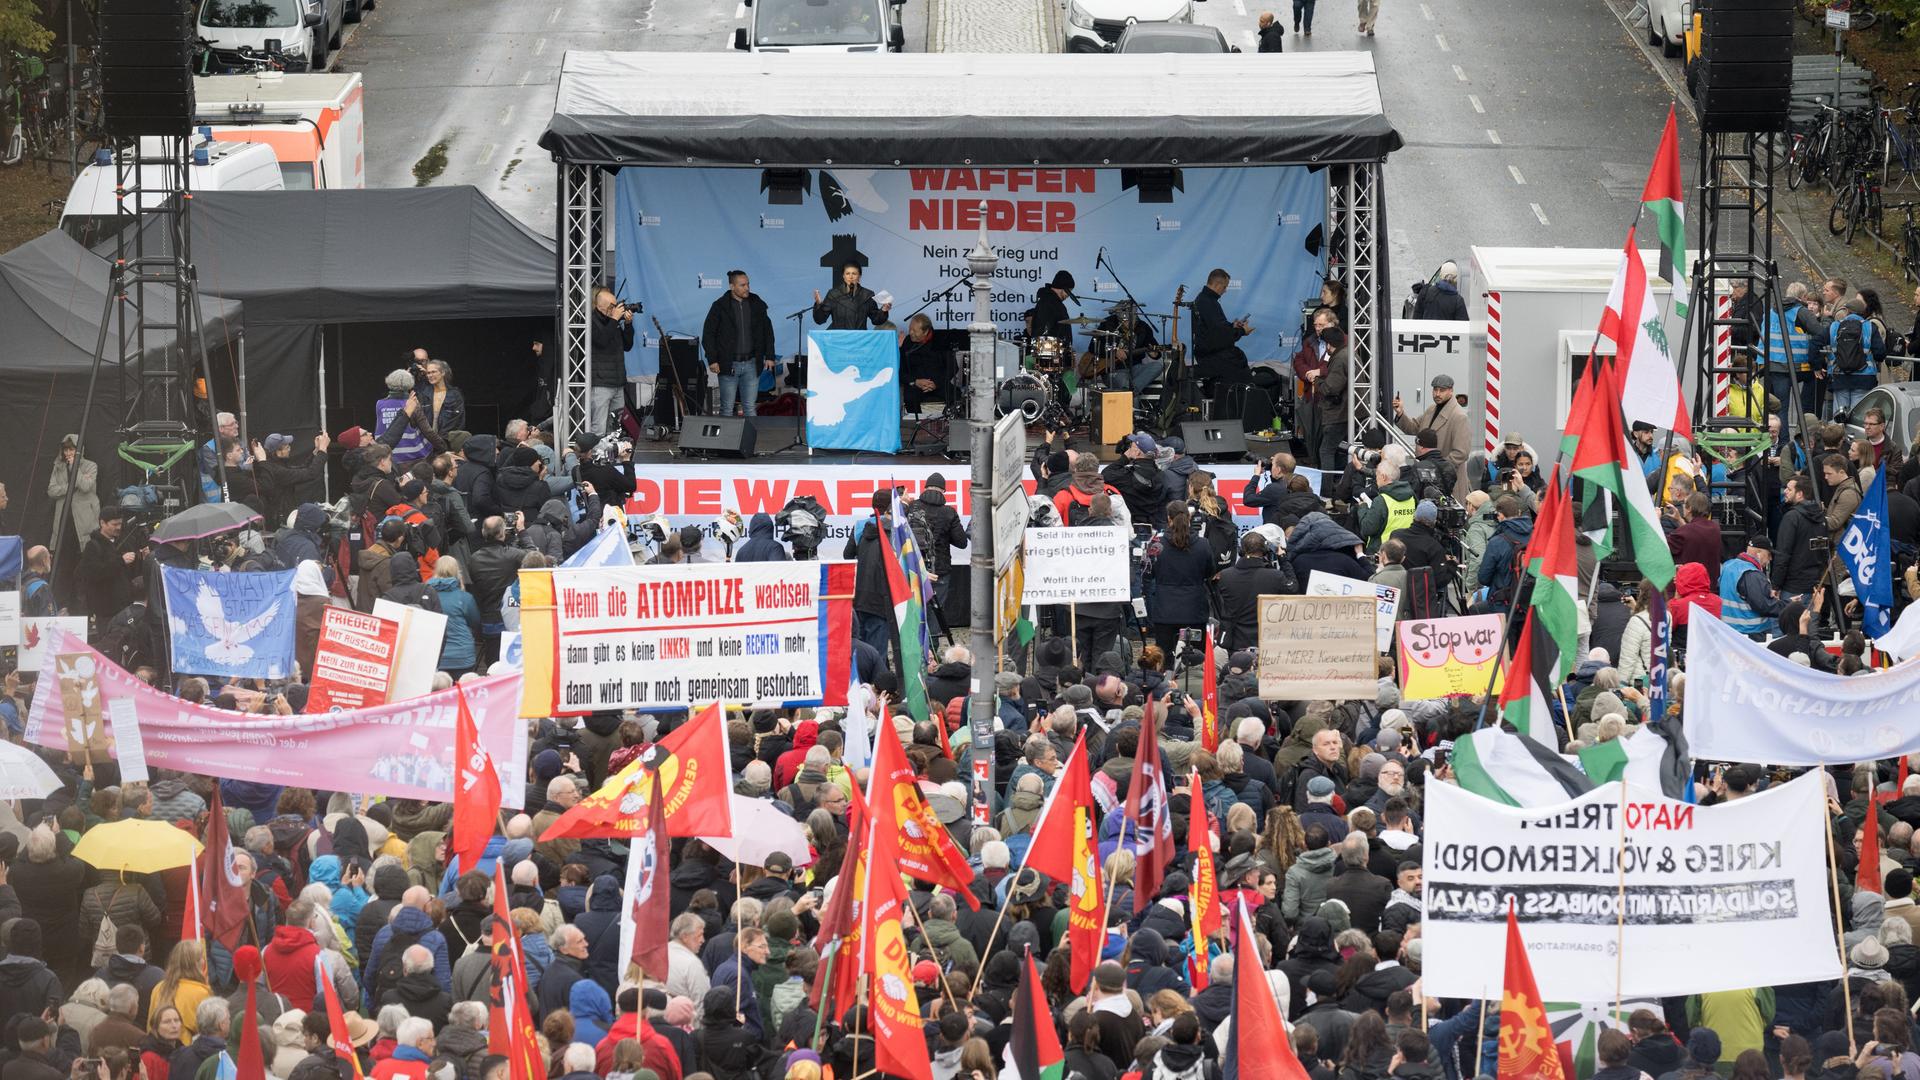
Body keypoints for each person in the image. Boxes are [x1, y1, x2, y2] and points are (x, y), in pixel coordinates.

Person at [1143, 501, 1216, 656]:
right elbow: (1209, 571)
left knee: (1164, 658)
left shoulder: (1156, 545)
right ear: (1189, 517)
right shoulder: (1203, 544)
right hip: (1194, 609)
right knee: (1195, 659)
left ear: (1169, 518)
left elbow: (1148, 574)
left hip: (1165, 610)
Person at [702, 271, 777, 419]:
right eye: (742, 285)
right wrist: (712, 359)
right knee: (727, 409)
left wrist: (769, 356)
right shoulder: (719, 306)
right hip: (728, 364)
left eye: (748, 284)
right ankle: (726, 442)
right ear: (732, 286)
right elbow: (708, 334)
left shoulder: (757, 304)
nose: (747, 288)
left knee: (750, 407)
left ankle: (752, 441)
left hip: (751, 363)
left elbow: (767, 331)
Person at [1393, 374, 1472, 499]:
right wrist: (1400, 413)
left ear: (1451, 391)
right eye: (1435, 389)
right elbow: (1413, 427)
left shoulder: (1459, 416)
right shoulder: (1431, 409)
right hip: (1429, 478)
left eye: (1442, 390)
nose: (1437, 394)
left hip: (1449, 483)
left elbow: (1461, 453)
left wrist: (1438, 469)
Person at [1191, 268, 1255, 416]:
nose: (1225, 291)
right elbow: (1219, 335)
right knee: (1242, 371)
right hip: (1213, 357)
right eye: (1225, 287)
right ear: (1218, 284)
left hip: (1209, 354)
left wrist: (1231, 326)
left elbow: (1215, 329)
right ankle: (1244, 416)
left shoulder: (1204, 300)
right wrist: (1241, 332)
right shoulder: (1208, 303)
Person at [78, 506, 138, 625]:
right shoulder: (93, 547)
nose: (118, 527)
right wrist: (121, 561)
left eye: (120, 524)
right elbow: (94, 574)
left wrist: (141, 557)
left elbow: (131, 574)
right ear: (102, 523)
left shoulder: (123, 542)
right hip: (106, 610)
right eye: (114, 524)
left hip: (125, 607)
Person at [591, 287, 637, 436]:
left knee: (614, 425)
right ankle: (596, 456)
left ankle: (611, 456)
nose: (615, 308)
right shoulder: (590, 320)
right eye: (612, 306)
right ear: (599, 306)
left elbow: (627, 345)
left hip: (618, 382)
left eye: (616, 305)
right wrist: (614, 319)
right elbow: (601, 341)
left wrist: (628, 325)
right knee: (599, 425)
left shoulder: (613, 322)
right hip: (601, 383)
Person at [1719, 538, 1785, 641]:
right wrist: (1788, 605)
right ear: (1759, 553)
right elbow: (1764, 606)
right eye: (1769, 554)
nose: (1770, 559)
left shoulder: (1728, 565)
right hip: (1752, 633)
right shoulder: (1752, 574)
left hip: (1729, 630)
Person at [47, 433, 100, 560]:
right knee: (65, 556)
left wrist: (74, 468)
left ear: (79, 450)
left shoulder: (91, 466)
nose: (68, 452)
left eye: (72, 449)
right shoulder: (58, 467)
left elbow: (86, 486)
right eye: (66, 449)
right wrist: (71, 487)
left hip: (84, 517)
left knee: (86, 553)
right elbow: (51, 490)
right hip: (65, 517)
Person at [898, 315, 952, 413]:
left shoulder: (941, 340)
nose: (910, 333)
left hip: (938, 383)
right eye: (910, 329)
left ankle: (945, 422)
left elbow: (952, 368)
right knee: (910, 398)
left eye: (914, 331)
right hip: (916, 384)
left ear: (926, 331)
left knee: (956, 396)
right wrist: (915, 381)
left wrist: (936, 383)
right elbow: (901, 371)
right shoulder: (907, 342)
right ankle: (918, 425)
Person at [812, 262, 888, 330]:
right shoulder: (834, 294)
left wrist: (884, 310)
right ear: (843, 276)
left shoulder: (867, 295)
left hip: (860, 339)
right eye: (847, 273)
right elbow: (820, 320)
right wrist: (818, 304)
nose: (850, 277)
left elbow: (876, 319)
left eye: (854, 274)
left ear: (859, 276)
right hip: (838, 339)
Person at [411, 357, 467, 440]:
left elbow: (458, 422)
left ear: (443, 372)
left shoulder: (455, 395)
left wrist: (442, 442)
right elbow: (417, 421)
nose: (430, 375)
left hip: (447, 442)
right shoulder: (423, 394)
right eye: (428, 373)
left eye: (433, 372)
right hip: (425, 443)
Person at [1028, 270, 1077, 347]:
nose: (1068, 296)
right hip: (1050, 353)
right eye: (1069, 291)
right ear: (1063, 288)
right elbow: (1044, 331)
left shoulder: (1053, 302)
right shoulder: (1048, 303)